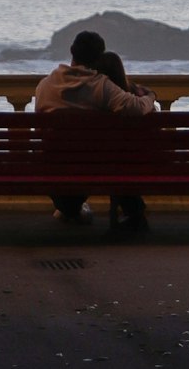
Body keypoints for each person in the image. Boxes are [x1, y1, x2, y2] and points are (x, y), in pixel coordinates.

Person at [34, 29, 154, 227]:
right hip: (95, 165)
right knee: (117, 150)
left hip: (54, 166)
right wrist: (150, 96)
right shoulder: (100, 86)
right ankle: (133, 213)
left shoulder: (45, 86)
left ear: (72, 51)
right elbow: (137, 107)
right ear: (99, 57)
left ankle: (70, 209)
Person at [95, 49, 151, 234]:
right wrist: (150, 96)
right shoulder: (134, 100)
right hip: (137, 164)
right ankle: (135, 213)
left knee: (115, 161)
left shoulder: (94, 102)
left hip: (95, 164)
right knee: (123, 161)